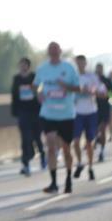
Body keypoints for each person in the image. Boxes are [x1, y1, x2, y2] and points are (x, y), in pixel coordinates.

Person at [34, 42, 80, 194]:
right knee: (51, 145)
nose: (53, 52)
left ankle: (68, 178)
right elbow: (36, 85)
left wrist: (65, 85)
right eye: (51, 50)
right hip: (48, 113)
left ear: (60, 51)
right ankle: (53, 182)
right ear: (48, 52)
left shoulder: (69, 68)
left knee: (67, 149)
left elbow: (78, 88)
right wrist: (39, 92)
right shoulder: (42, 68)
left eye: (56, 49)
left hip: (66, 114)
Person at [11, 57, 46, 176]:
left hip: (35, 111)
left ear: (28, 66)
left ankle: (42, 155)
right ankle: (25, 164)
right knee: (25, 138)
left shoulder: (34, 78)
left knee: (37, 137)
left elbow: (41, 92)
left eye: (24, 64)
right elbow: (14, 95)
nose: (22, 67)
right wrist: (14, 111)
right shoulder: (16, 79)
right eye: (20, 64)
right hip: (23, 112)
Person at [71, 55, 103, 182]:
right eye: (78, 63)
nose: (80, 65)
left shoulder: (92, 77)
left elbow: (101, 89)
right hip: (77, 112)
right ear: (76, 64)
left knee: (90, 143)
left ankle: (90, 167)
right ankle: (79, 163)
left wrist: (93, 92)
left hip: (91, 112)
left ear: (85, 63)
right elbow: (68, 91)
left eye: (82, 63)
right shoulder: (73, 77)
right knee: (76, 141)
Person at [94, 63, 112, 163]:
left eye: (101, 68)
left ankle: (102, 151)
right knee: (95, 130)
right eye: (98, 68)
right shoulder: (92, 79)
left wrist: (106, 94)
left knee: (103, 129)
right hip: (94, 107)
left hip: (105, 107)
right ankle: (97, 141)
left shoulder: (106, 80)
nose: (99, 70)